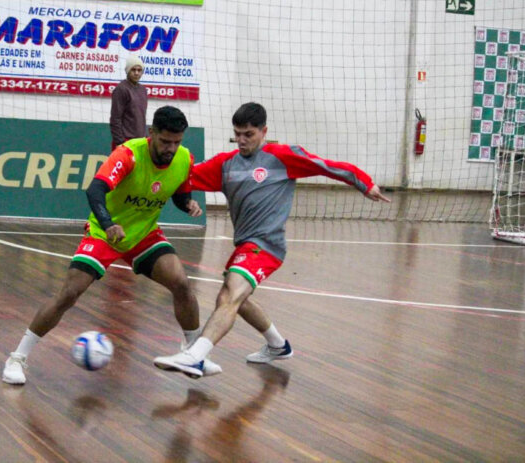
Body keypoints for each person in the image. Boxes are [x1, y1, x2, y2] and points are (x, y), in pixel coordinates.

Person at [154, 102, 391, 378]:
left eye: (248, 134)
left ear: (264, 131)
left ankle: (195, 356)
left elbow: (327, 167)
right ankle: (278, 345)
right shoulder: (225, 164)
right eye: (237, 134)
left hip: (267, 246)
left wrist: (364, 183)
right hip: (244, 246)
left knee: (228, 295)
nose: (241, 140)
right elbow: (182, 177)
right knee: (239, 300)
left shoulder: (283, 156)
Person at [3, 106, 221, 385]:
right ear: (151, 133)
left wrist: (187, 204)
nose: (171, 148)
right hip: (105, 232)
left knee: (181, 283)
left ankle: (193, 354)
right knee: (69, 293)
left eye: (177, 142)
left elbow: (179, 194)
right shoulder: (128, 154)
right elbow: (95, 190)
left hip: (143, 234)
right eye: (165, 141)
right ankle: (17, 358)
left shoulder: (183, 159)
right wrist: (108, 225)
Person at [110, 55, 148, 151]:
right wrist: (120, 142)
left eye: (139, 70)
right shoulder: (121, 89)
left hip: (140, 141)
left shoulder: (143, 90)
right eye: (133, 70)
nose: (136, 73)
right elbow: (115, 118)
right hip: (125, 142)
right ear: (127, 71)